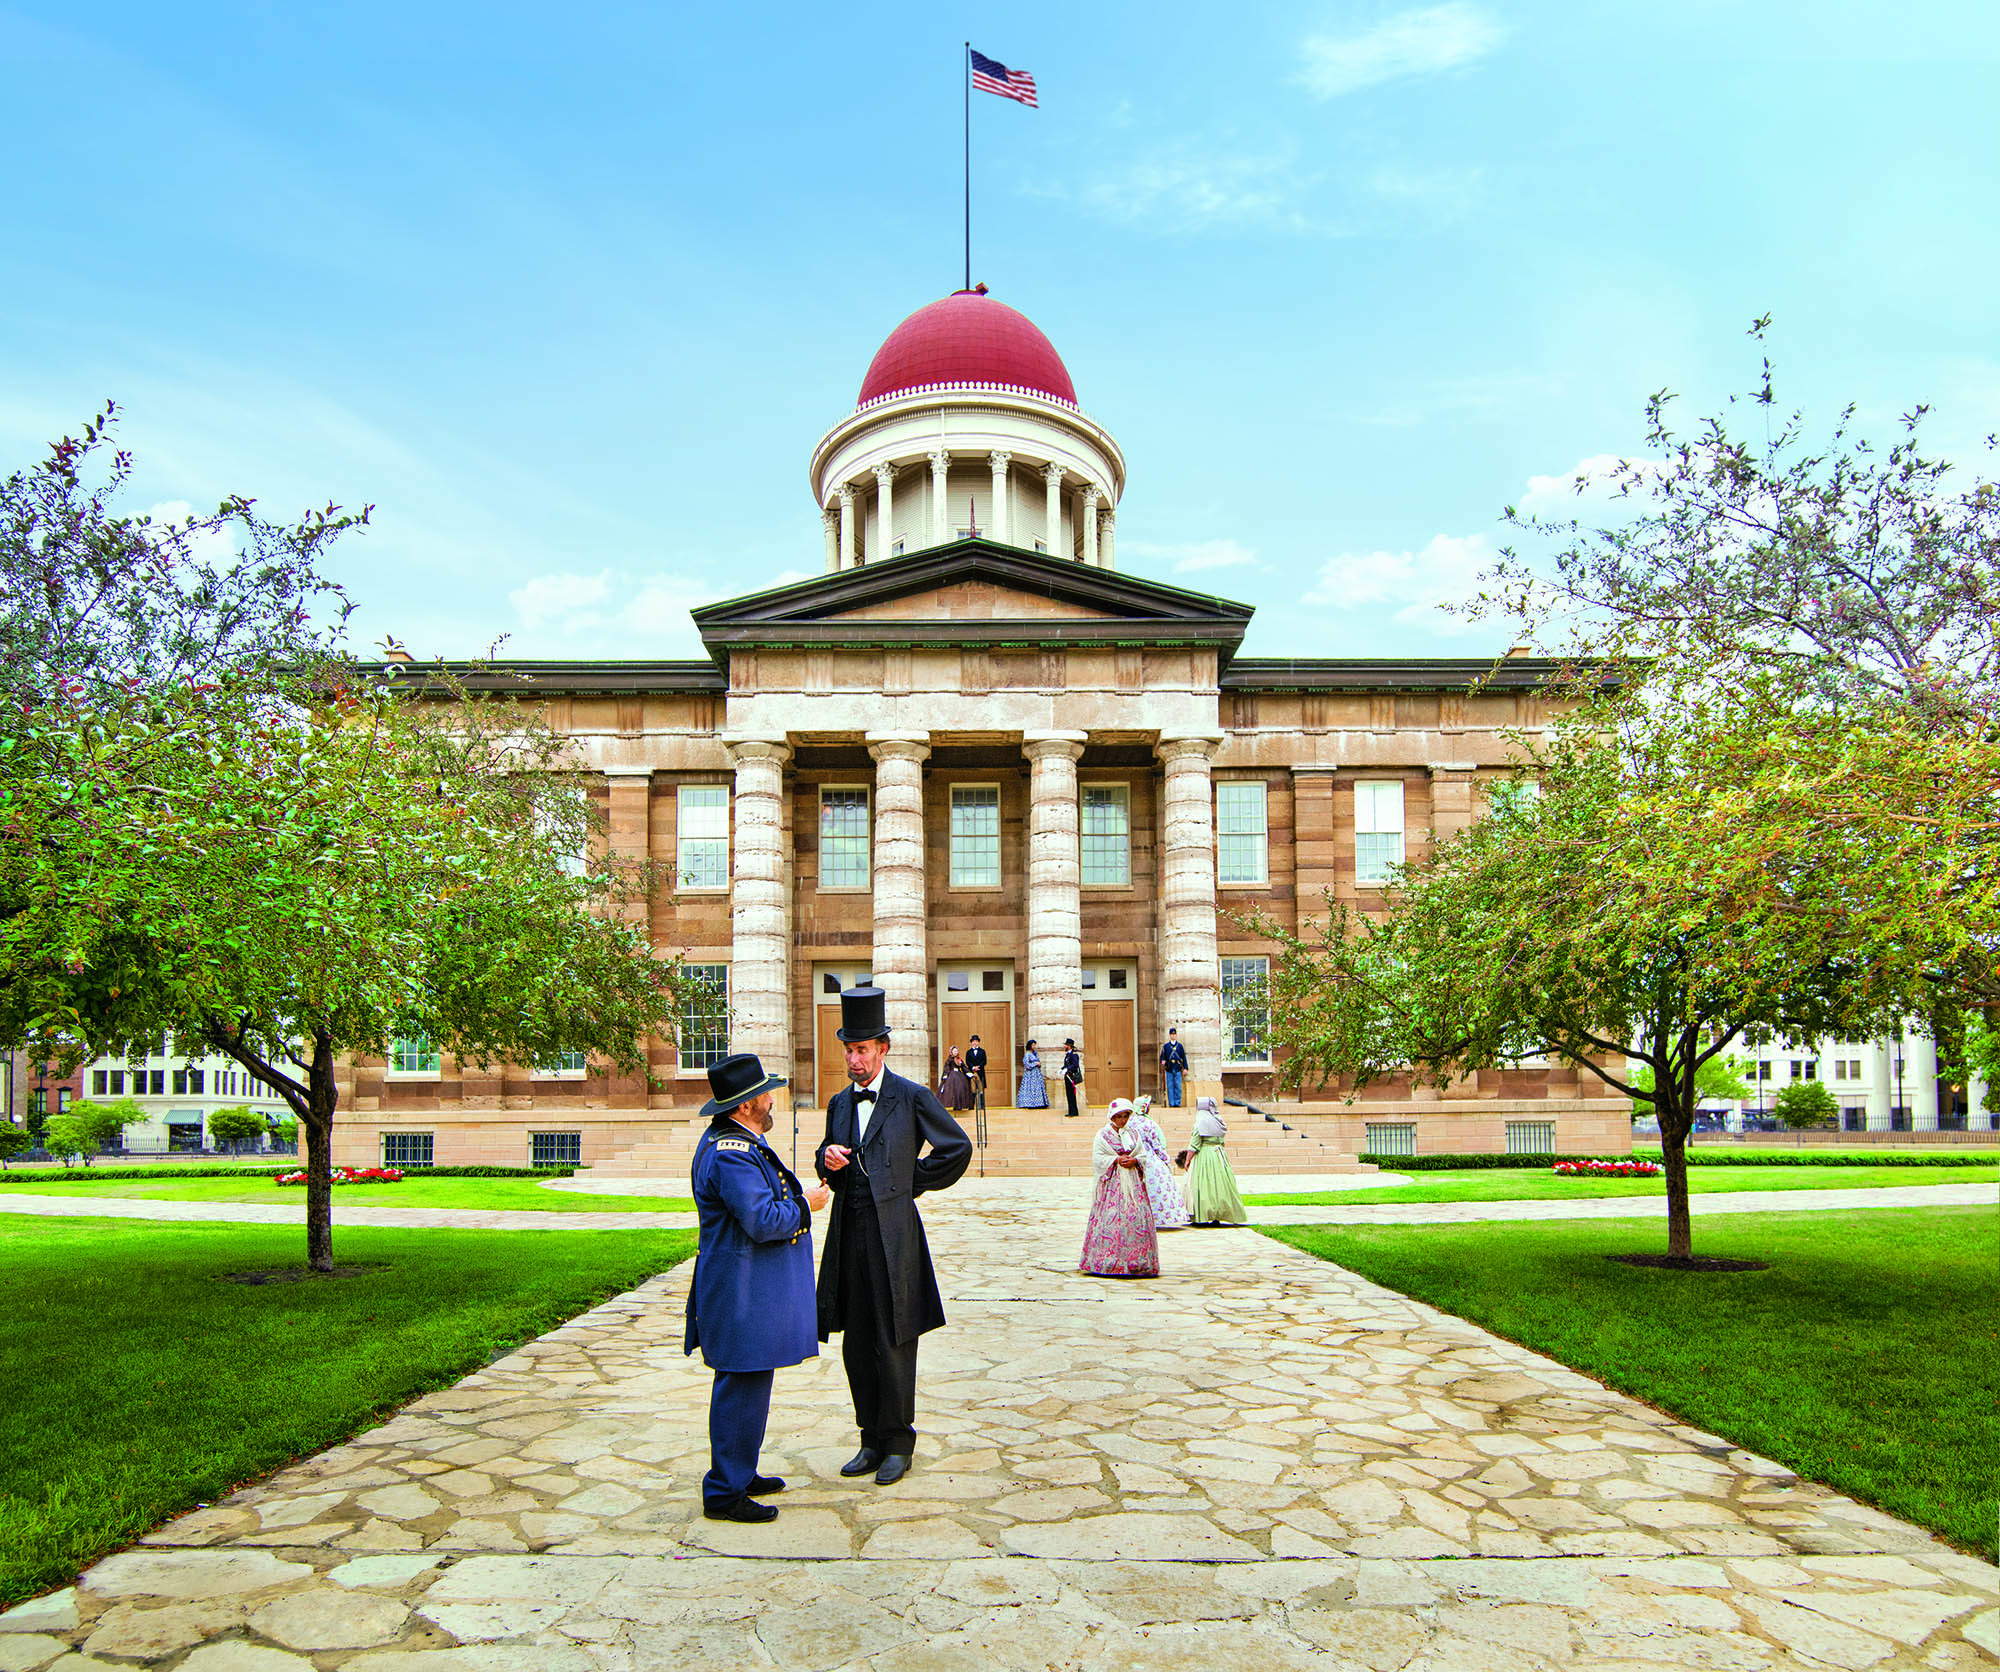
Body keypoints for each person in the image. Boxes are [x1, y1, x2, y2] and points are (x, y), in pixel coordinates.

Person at [815, 985, 973, 1486]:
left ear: (883, 1048)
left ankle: (899, 1443)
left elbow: (956, 1148)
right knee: (856, 1341)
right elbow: (827, 1155)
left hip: (895, 1234)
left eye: (862, 1050)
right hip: (849, 1231)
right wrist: (825, 1158)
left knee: (894, 1337)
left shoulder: (912, 1096)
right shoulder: (839, 1103)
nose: (854, 1059)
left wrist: (910, 1181)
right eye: (848, 1050)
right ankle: (869, 1438)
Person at [683, 1052, 832, 1523]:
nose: (771, 1101)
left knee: (751, 1382)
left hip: (745, 1288)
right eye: (765, 1094)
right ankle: (724, 1492)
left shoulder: (736, 1143)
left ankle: (739, 1472)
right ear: (745, 1105)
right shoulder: (731, 1154)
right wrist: (807, 1205)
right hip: (740, 1291)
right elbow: (764, 1219)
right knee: (741, 1385)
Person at [1080, 1097, 1159, 1277]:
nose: (1122, 1120)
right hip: (1113, 1184)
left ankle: (1136, 1261)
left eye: (1125, 1116)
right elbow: (1098, 1158)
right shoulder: (1103, 1135)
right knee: (1111, 1219)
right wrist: (1116, 1159)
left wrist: (1135, 1160)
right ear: (1112, 1117)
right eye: (1119, 1117)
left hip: (1132, 1182)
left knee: (1134, 1217)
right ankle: (1108, 1261)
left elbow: (1142, 1154)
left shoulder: (1133, 1134)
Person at [1185, 1097, 1248, 1227]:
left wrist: (1187, 1160)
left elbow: (1194, 1145)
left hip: (1204, 1156)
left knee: (1203, 1185)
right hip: (1219, 1156)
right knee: (1219, 1185)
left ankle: (1203, 1217)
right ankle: (1217, 1216)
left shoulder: (1200, 1124)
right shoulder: (1219, 1122)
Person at [1130, 1093, 1189, 1231]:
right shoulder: (1148, 1123)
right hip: (1149, 1158)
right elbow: (1156, 1145)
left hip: (1133, 1157)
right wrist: (1164, 1159)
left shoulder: (1129, 1122)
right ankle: (1157, 1218)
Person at [1159, 1028, 1189, 1108]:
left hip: (1177, 1068)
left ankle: (1177, 1103)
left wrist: (1185, 1068)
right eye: (1172, 1034)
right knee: (1170, 1087)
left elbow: (1183, 1057)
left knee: (1178, 1087)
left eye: (1174, 1034)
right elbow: (1162, 1057)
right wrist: (1162, 1061)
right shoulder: (1166, 1046)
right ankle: (1171, 1103)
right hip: (1169, 1068)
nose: (1173, 1035)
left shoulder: (1179, 1046)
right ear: (1170, 1035)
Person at [937, 1045, 973, 1112]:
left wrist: (970, 1074)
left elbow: (964, 1067)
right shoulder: (949, 1060)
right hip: (951, 1076)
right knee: (951, 1090)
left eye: (956, 1051)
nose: (956, 1052)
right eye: (954, 1051)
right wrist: (945, 1076)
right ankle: (953, 1105)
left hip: (959, 1076)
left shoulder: (960, 1060)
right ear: (951, 1052)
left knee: (960, 1090)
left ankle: (959, 1106)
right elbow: (946, 1068)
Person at [1016, 1040, 1048, 1109]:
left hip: (1036, 1074)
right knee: (1030, 1088)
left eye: (1034, 1045)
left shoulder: (1034, 1054)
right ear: (1029, 1046)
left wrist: (1039, 1064)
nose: (1034, 1046)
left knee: (1037, 1088)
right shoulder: (1027, 1054)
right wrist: (1035, 1063)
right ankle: (1030, 1103)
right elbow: (1026, 1065)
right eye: (1033, 1045)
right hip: (1030, 1075)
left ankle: (1039, 1103)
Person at [1061, 1038, 1083, 1119]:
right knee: (1069, 1094)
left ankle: (1074, 1111)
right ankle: (1071, 1111)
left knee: (1071, 1094)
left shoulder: (1074, 1055)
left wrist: (1068, 1069)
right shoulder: (1068, 1055)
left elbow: (1075, 1065)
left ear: (1069, 1046)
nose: (1064, 1046)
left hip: (1071, 1076)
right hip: (1067, 1076)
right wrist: (1062, 1069)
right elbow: (1066, 1064)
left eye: (1066, 1045)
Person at [964, 1036, 988, 1105]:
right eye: (973, 1041)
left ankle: (982, 1105)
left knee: (981, 1089)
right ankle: (971, 1104)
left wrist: (978, 1067)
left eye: (976, 1041)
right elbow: (967, 1061)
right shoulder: (968, 1052)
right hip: (972, 1072)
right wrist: (973, 1067)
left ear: (978, 1042)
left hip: (980, 1072)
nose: (975, 1043)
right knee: (972, 1089)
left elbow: (984, 1061)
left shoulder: (982, 1051)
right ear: (971, 1042)